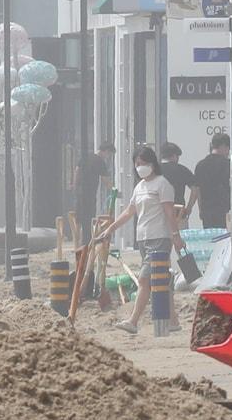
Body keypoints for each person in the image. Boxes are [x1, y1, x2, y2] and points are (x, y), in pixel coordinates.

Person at [92, 145, 185, 335]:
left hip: (159, 238)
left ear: (152, 164)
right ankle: (174, 321)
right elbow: (129, 212)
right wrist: (110, 229)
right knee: (161, 280)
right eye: (137, 164)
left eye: (143, 163)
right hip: (143, 238)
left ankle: (133, 321)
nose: (140, 167)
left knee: (144, 280)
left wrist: (176, 236)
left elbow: (169, 213)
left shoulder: (162, 184)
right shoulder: (140, 187)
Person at [73, 142, 114, 242]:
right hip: (90, 193)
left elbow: (77, 170)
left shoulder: (86, 157)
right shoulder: (100, 162)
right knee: (90, 217)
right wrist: (114, 190)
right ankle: (88, 240)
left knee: (79, 217)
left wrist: (75, 185)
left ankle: (77, 242)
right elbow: (106, 181)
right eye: (109, 155)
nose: (108, 157)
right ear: (106, 151)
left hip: (80, 191)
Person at [190, 133, 232, 229]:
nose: (228, 152)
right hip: (223, 211)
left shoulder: (200, 165)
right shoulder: (227, 164)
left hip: (206, 211)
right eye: (228, 148)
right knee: (224, 240)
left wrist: (201, 209)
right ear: (223, 146)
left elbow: (198, 190)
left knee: (210, 240)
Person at [159, 142, 196, 221]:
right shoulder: (182, 170)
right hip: (178, 212)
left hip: (158, 213)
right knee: (180, 232)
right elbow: (195, 188)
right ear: (175, 156)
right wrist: (189, 208)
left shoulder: (154, 170)